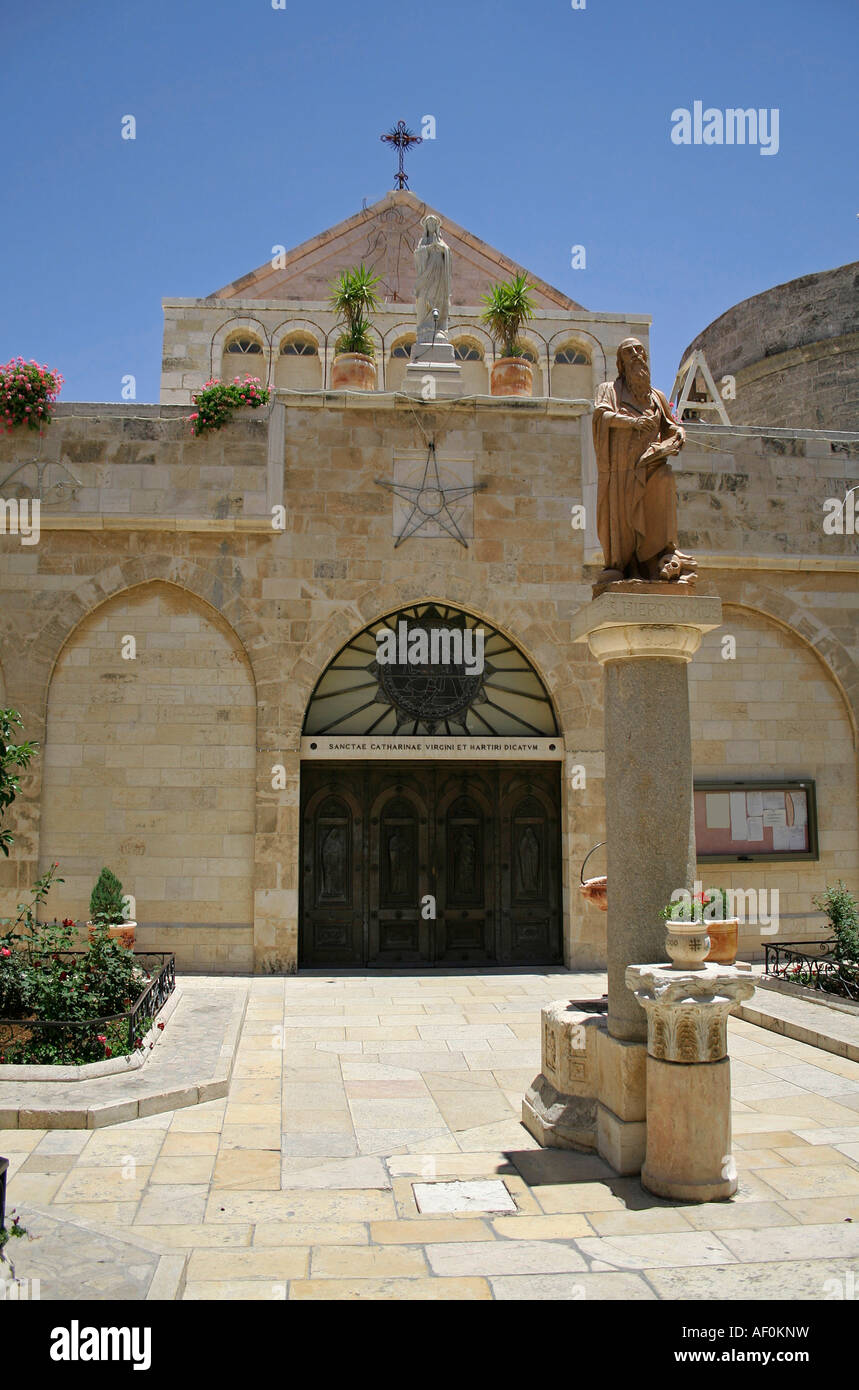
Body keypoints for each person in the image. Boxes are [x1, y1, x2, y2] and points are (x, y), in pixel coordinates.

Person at [592, 338, 697, 586]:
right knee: (624, 517)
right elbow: (601, 414)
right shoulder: (610, 389)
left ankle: (661, 557)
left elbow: (669, 425)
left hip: (651, 463)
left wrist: (678, 434)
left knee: (665, 479)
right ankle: (623, 564)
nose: (636, 355)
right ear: (621, 362)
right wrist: (633, 423)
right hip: (622, 468)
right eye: (629, 352)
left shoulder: (657, 396)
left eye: (639, 350)